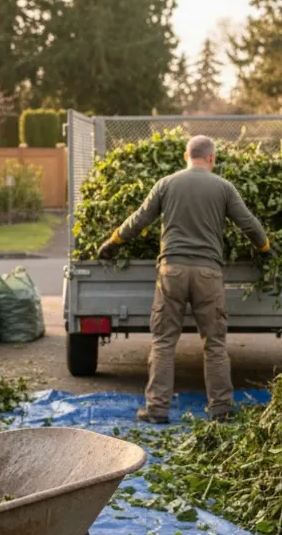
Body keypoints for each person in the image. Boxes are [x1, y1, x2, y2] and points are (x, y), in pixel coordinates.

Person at [97, 135, 272, 424]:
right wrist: (264, 249)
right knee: (214, 343)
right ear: (212, 158)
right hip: (208, 273)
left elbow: (139, 219)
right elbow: (249, 224)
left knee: (164, 341)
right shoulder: (224, 188)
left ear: (185, 156)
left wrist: (113, 242)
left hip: (172, 272)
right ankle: (221, 410)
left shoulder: (166, 184)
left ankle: (156, 410)